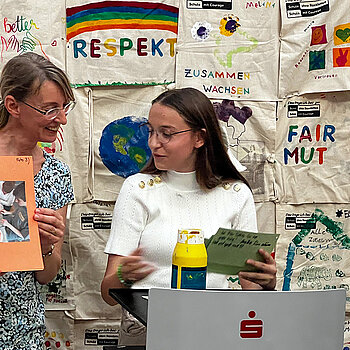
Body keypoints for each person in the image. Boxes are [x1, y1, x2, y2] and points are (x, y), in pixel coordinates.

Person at [101, 87, 276, 345]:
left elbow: (250, 291)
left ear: (199, 138)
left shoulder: (236, 194)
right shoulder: (137, 188)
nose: (153, 143)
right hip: (146, 336)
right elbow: (107, 292)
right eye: (151, 131)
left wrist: (266, 282)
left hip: (214, 334)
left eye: (166, 134)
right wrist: (124, 275)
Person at [0, 52, 75, 349]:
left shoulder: (56, 174)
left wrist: (44, 248)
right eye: (50, 109)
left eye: (64, 107)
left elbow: (47, 275)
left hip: (23, 330)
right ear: (13, 106)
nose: (62, 119)